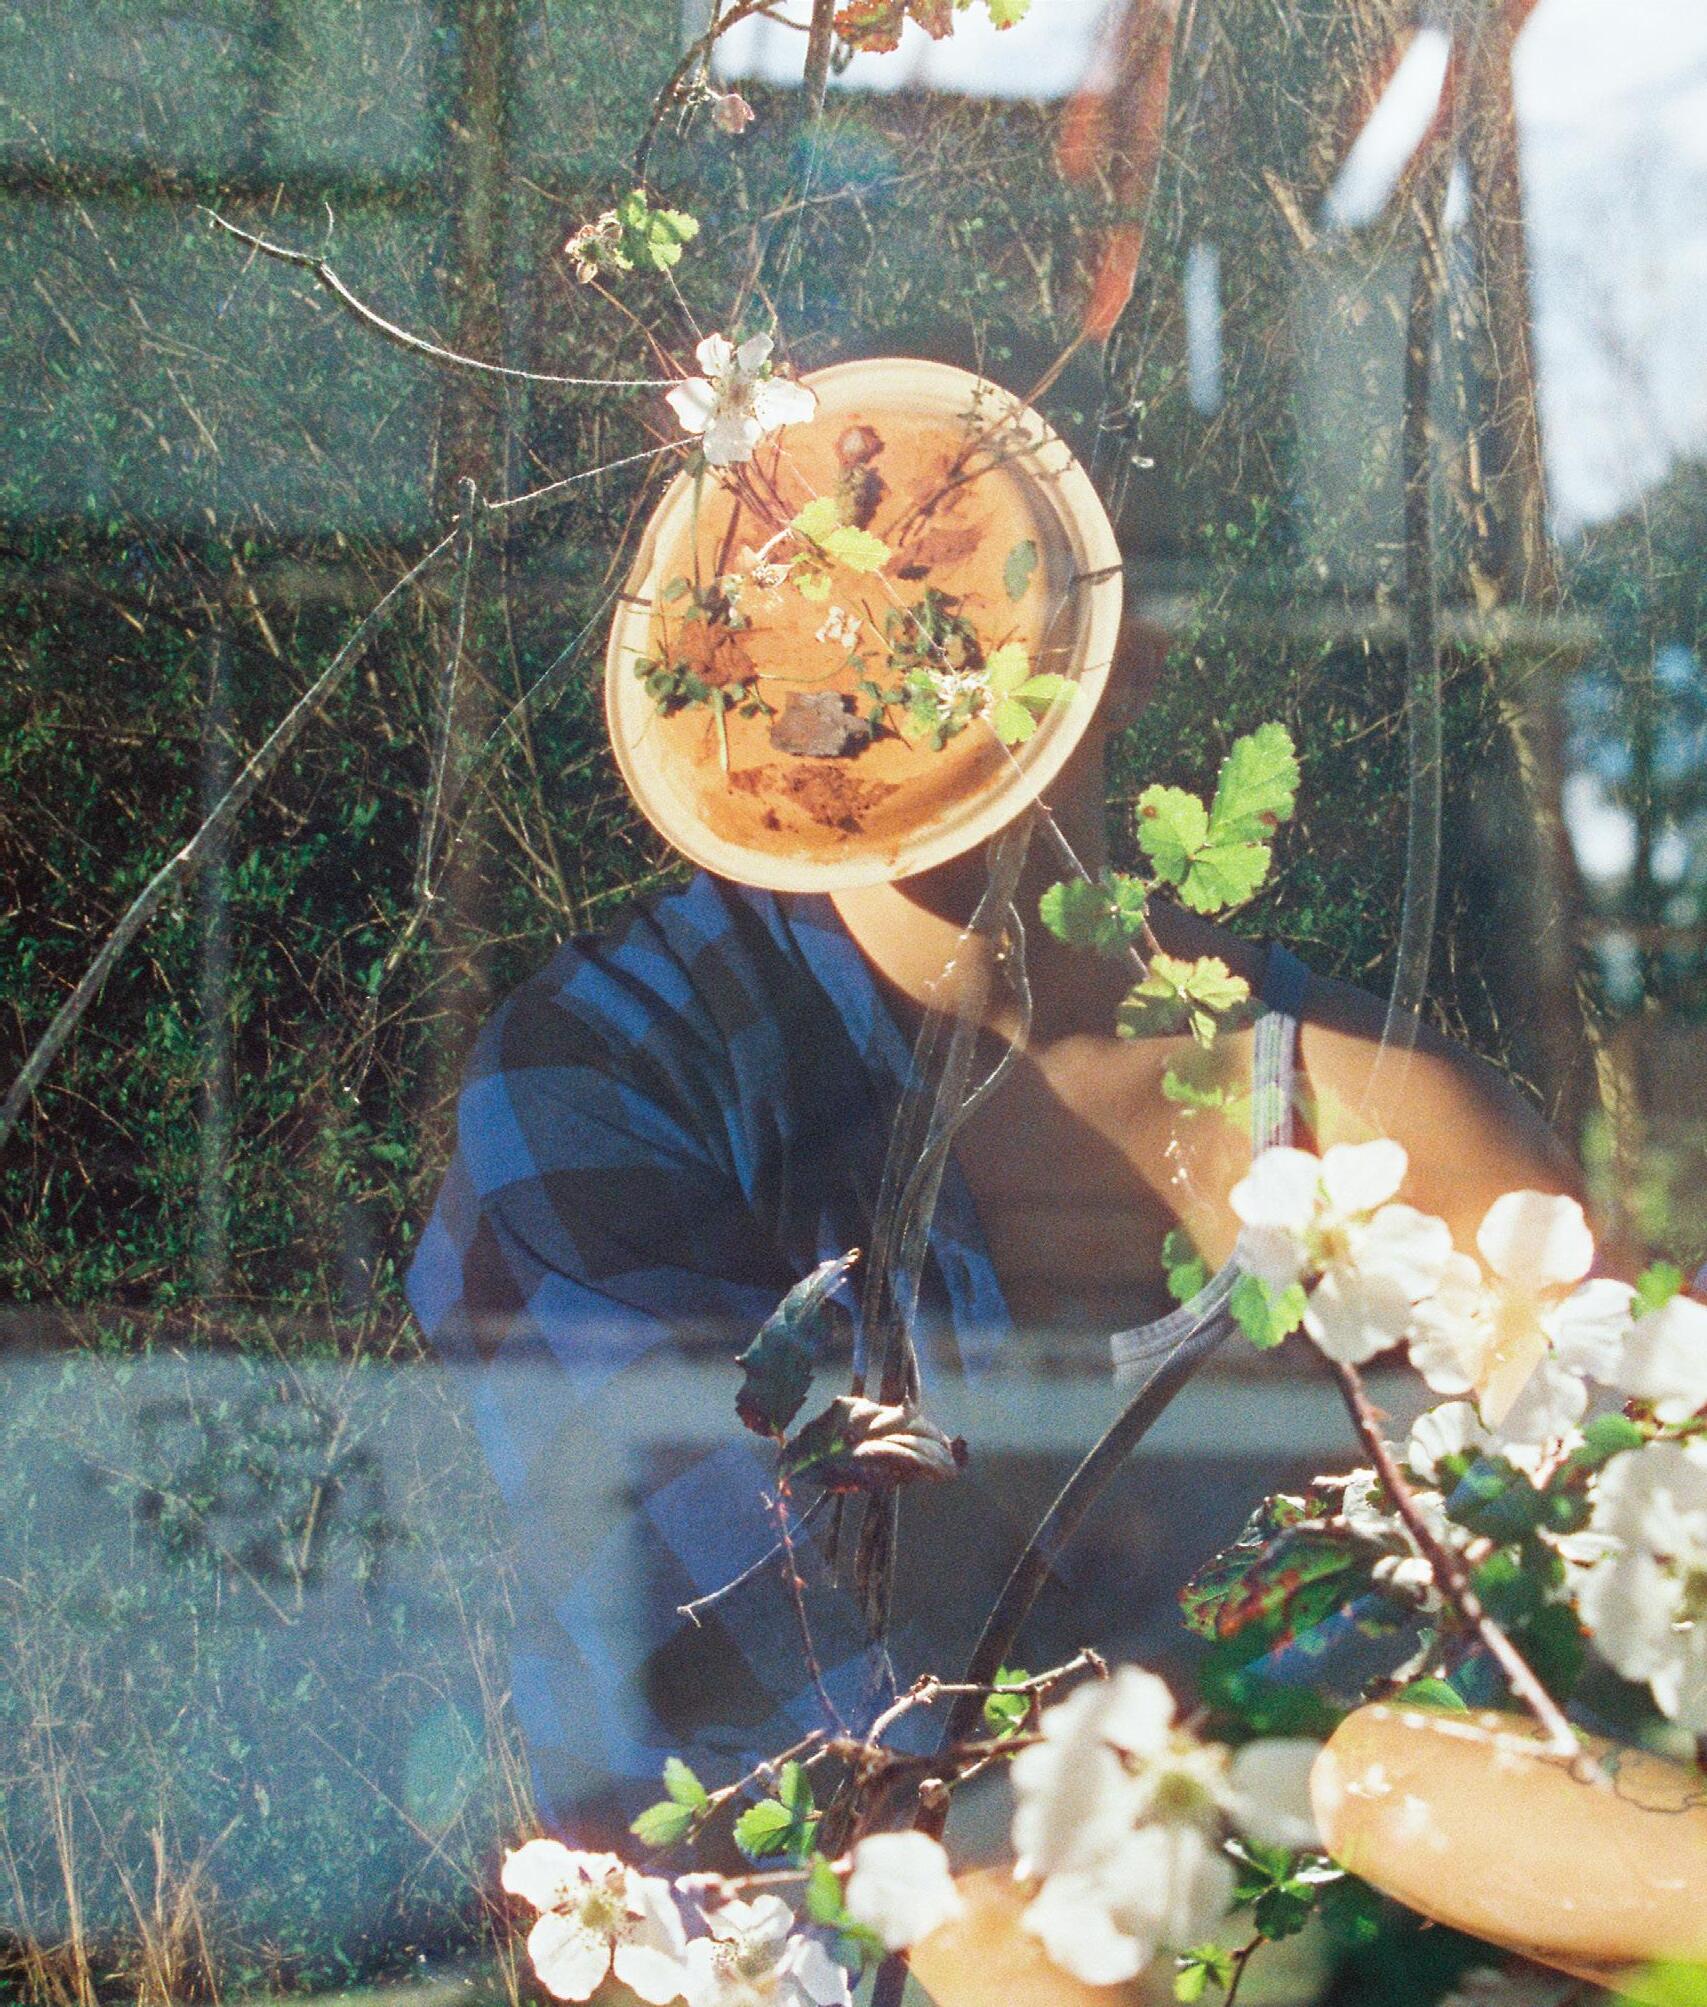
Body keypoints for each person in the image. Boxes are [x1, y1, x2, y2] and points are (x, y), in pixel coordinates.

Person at [406, 593, 1576, 1845]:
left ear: (1129, 650)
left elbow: (1590, 1602)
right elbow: (783, 1713)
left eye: (952, 608)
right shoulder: (612, 1070)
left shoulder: (1404, 1132)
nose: (865, 665)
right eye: (794, 605)